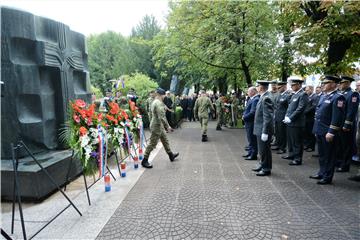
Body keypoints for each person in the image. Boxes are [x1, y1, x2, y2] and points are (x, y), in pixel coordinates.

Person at [310, 75, 346, 184]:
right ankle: (322, 172)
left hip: (328, 132)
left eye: (326, 83)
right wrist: (316, 130)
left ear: (333, 84)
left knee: (329, 155)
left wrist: (331, 132)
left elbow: (337, 117)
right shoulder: (324, 96)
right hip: (320, 130)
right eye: (323, 83)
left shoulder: (338, 97)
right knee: (322, 154)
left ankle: (327, 176)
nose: (323, 85)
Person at [141, 88, 179, 168]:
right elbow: (162, 116)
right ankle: (144, 160)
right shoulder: (158, 103)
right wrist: (168, 126)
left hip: (158, 125)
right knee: (152, 143)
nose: (165, 97)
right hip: (156, 126)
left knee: (165, 140)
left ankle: (171, 155)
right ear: (160, 95)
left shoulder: (156, 101)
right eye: (164, 95)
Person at [282, 78, 308, 166]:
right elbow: (290, 107)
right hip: (290, 122)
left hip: (297, 123)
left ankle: (297, 159)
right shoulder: (294, 95)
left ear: (299, 85)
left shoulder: (303, 94)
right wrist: (286, 116)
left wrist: (291, 118)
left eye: (293, 85)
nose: (291, 86)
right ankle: (292, 154)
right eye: (291, 85)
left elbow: (300, 108)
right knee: (291, 140)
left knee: (297, 142)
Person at [336, 75, 359, 172]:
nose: (340, 85)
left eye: (341, 83)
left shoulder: (353, 94)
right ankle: (339, 162)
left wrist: (347, 124)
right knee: (339, 144)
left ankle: (345, 165)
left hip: (346, 124)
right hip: (338, 123)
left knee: (346, 145)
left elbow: (351, 111)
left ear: (347, 83)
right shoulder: (341, 93)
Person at [252, 80, 274, 176]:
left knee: (265, 150)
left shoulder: (266, 98)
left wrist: (265, 132)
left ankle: (266, 168)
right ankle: (262, 164)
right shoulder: (263, 96)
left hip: (263, 129)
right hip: (260, 128)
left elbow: (267, 117)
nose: (257, 88)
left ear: (261, 87)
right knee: (262, 150)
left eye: (257, 86)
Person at [272, 80, 291, 154]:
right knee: (277, 132)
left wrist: (286, 116)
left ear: (284, 87)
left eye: (279, 87)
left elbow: (289, 107)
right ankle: (278, 145)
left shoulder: (288, 95)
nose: (278, 88)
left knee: (282, 133)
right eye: (278, 87)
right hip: (277, 116)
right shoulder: (279, 95)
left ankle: (283, 148)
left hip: (283, 117)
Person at [242, 87, 260, 160]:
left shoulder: (255, 99)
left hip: (251, 122)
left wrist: (244, 117)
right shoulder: (252, 99)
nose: (247, 93)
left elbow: (253, 112)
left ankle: (253, 154)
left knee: (252, 139)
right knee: (250, 138)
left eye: (249, 91)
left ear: (253, 92)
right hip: (248, 122)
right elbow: (247, 109)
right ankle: (250, 152)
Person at [303, 85, 319, 152]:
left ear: (311, 90)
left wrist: (305, 111)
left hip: (311, 117)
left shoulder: (315, 96)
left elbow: (313, 106)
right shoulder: (307, 96)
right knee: (306, 132)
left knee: (310, 132)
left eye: (307, 90)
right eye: (305, 90)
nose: (306, 91)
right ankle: (307, 145)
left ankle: (311, 147)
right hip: (306, 117)